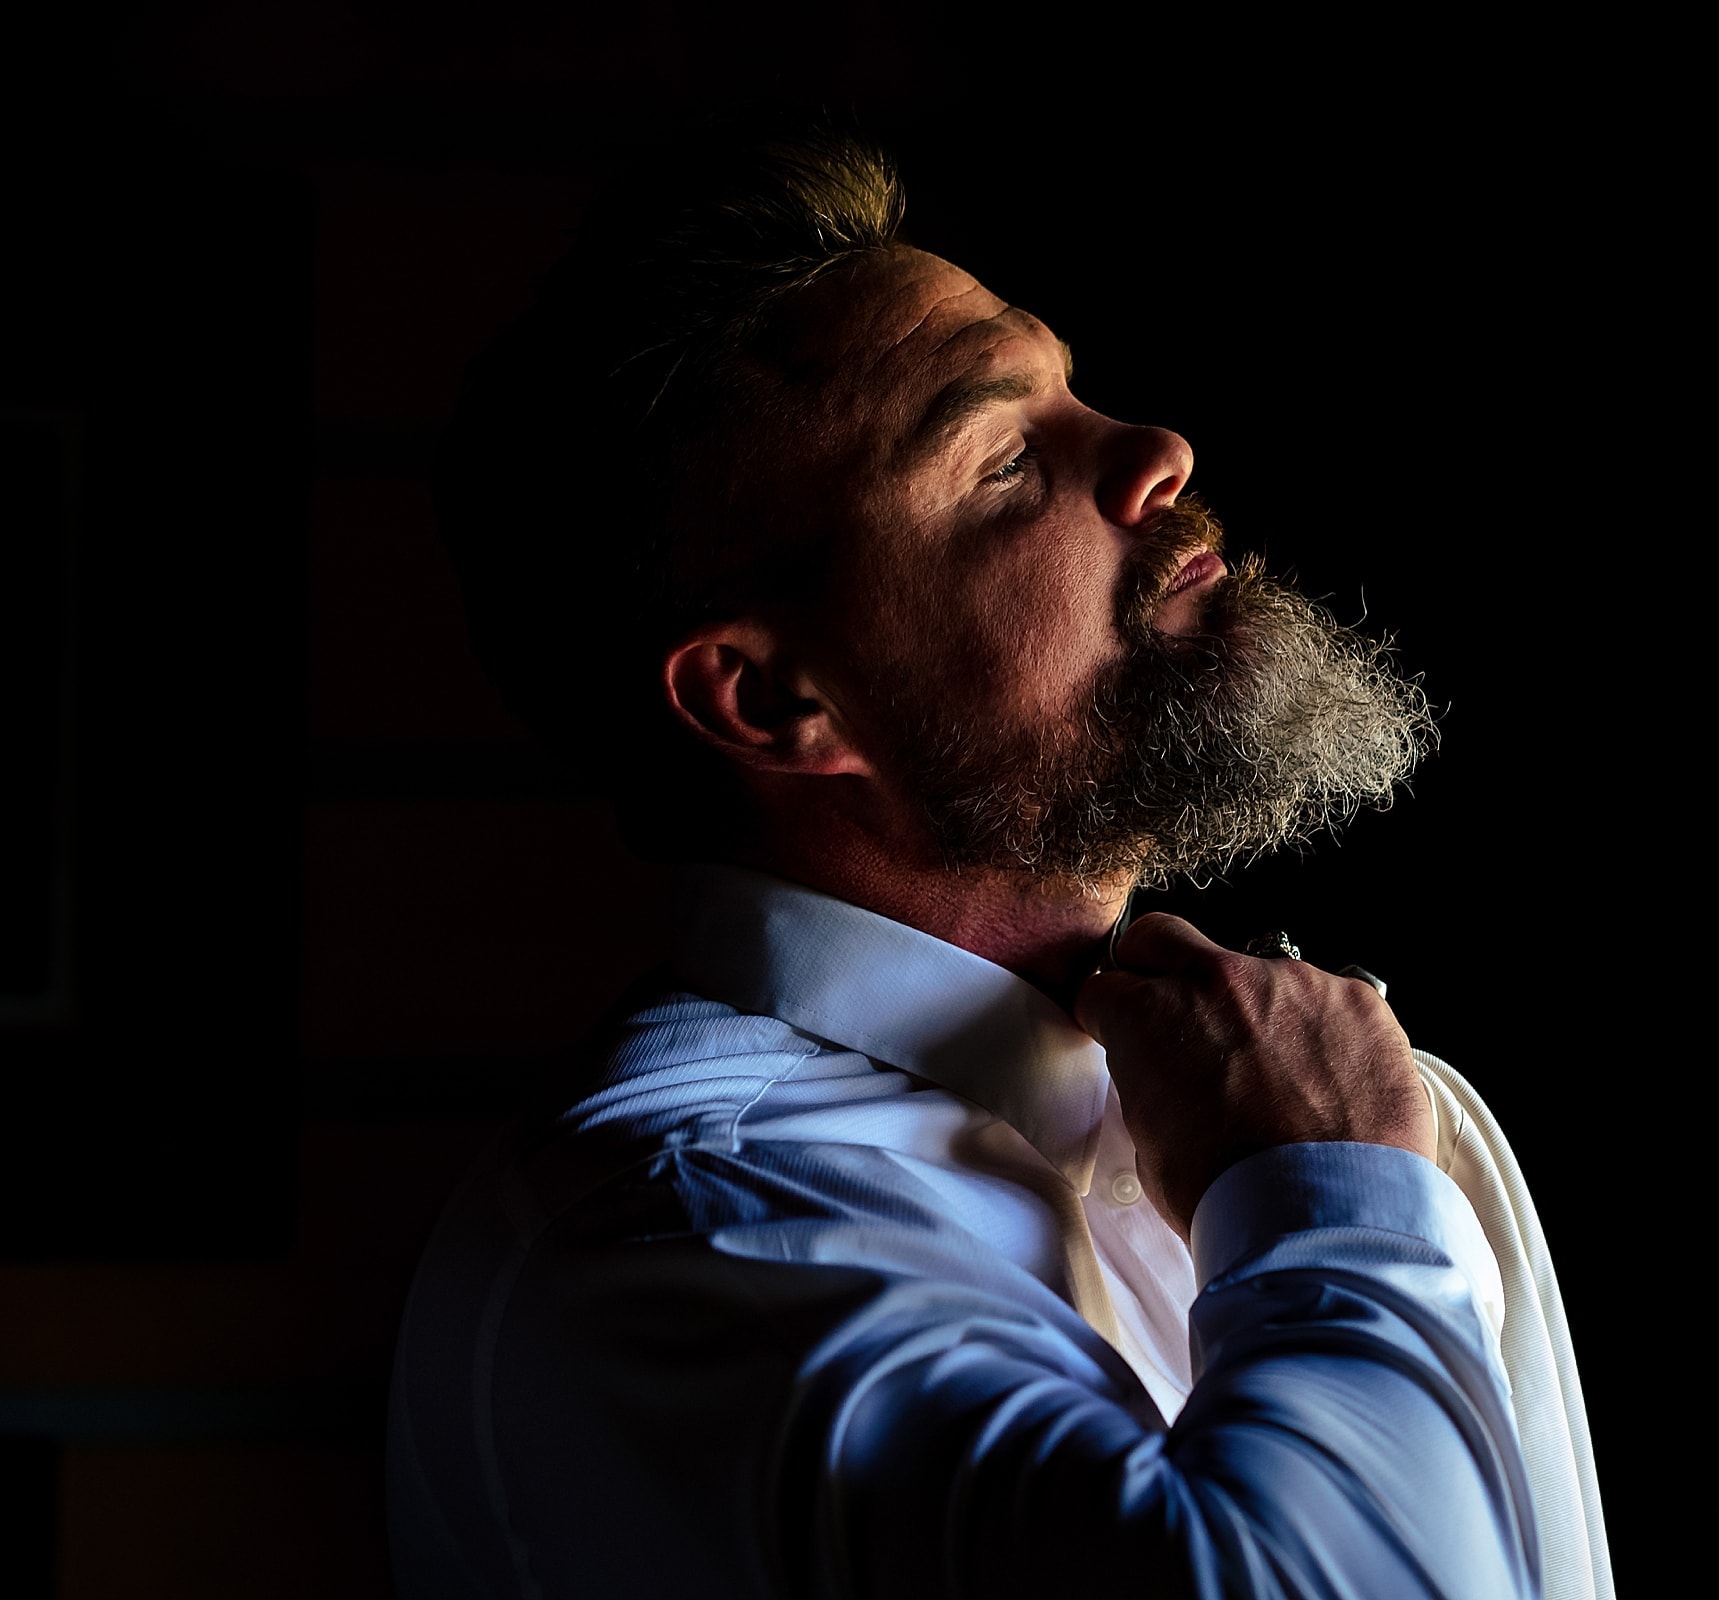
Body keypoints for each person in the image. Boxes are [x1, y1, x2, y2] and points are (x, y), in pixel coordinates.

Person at [389, 128, 1609, 1599]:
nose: (1158, 452)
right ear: (776, 700)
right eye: (1005, 458)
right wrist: (1332, 1207)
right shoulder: (689, 1236)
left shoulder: (1314, 1099)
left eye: (1072, 390)